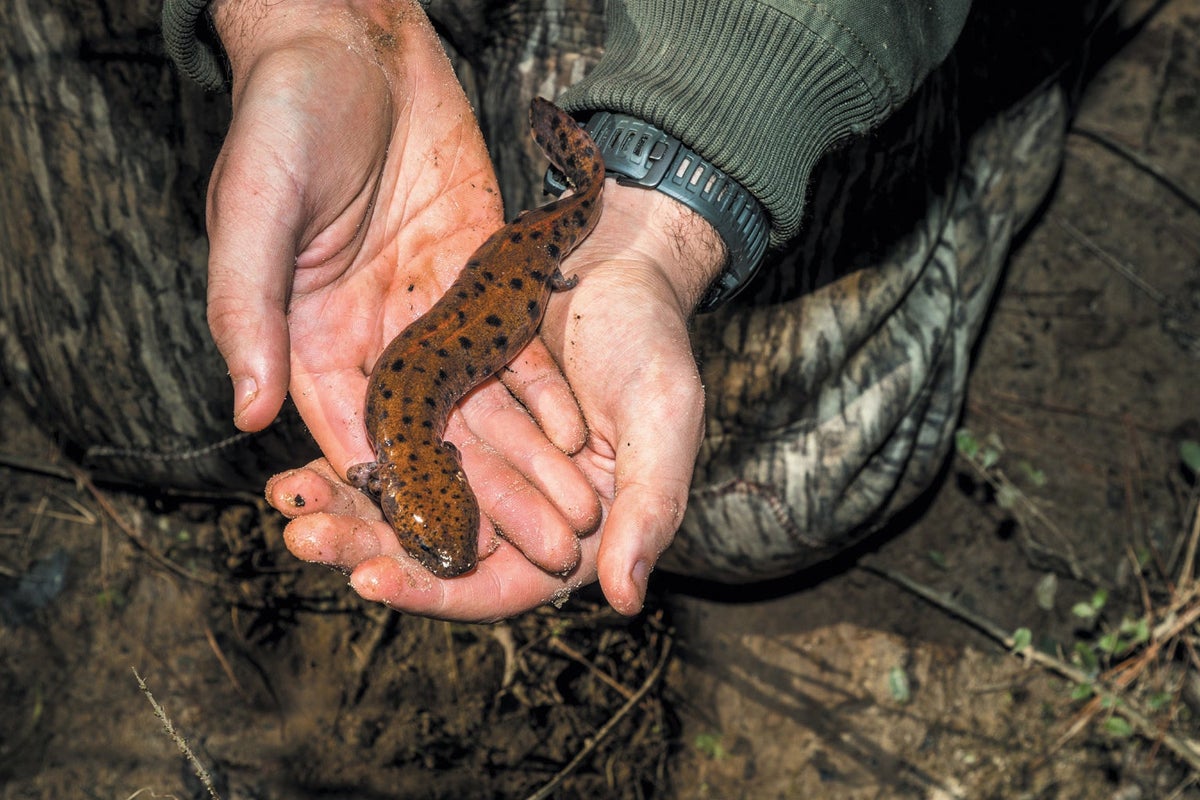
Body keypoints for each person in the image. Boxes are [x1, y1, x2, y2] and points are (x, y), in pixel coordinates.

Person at [0, 0, 1098, 621]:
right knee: (140, 413)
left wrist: (655, 211)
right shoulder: (400, 444)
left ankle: (990, 117)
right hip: (494, 272)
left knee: (790, 482)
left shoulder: (406, 439)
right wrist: (311, 21)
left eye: (441, 532)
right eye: (445, 532)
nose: (446, 539)